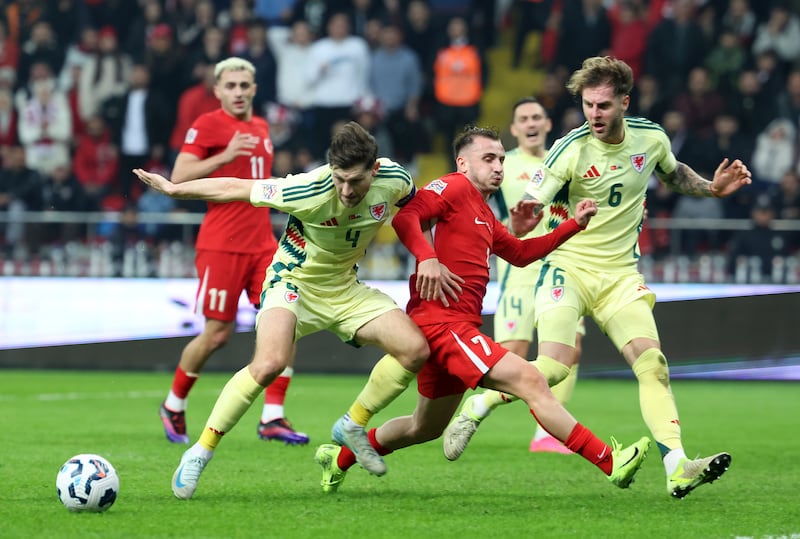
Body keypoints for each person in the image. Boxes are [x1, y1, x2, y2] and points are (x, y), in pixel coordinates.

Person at [444, 56, 751, 499]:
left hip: (621, 276)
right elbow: (531, 205)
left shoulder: (651, 138)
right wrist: (525, 220)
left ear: (624, 102)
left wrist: (711, 187)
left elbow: (674, 173)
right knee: (550, 368)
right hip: (566, 269)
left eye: (604, 105)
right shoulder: (570, 149)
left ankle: (677, 465)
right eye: (588, 105)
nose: (594, 114)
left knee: (654, 365)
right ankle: (478, 404)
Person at [313, 125, 651, 494]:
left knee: (423, 428)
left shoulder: (484, 214)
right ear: (462, 163)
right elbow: (405, 218)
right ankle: (610, 461)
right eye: (488, 159)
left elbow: (520, 255)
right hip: (444, 325)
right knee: (531, 380)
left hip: (450, 328)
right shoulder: (454, 188)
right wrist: (427, 257)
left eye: (502, 159)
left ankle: (338, 458)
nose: (498, 167)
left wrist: (573, 225)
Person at [133, 121, 433, 500]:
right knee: (269, 363)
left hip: (345, 289)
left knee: (415, 350)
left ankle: (352, 424)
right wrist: (176, 189)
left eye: (354, 181)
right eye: (339, 178)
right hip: (291, 284)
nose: (345, 190)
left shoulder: (395, 178)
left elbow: (420, 209)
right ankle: (200, 452)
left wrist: (431, 255)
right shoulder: (307, 188)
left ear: (374, 170)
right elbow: (233, 187)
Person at [157, 57, 307, 448]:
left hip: (262, 244)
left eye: (245, 85)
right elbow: (179, 178)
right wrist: (224, 156)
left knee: (285, 320)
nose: (238, 92)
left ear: (254, 89)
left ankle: (273, 416)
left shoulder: (260, 127)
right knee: (217, 334)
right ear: (218, 90)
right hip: (222, 244)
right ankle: (174, 403)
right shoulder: (207, 125)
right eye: (231, 86)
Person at [456, 98, 585, 455]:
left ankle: (547, 433)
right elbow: (482, 213)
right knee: (512, 353)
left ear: (547, 124)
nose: (530, 123)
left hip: (562, 266)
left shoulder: (563, 161)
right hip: (519, 270)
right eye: (523, 118)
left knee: (570, 349)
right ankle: (474, 408)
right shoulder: (502, 166)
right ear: (514, 129)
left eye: (537, 117)